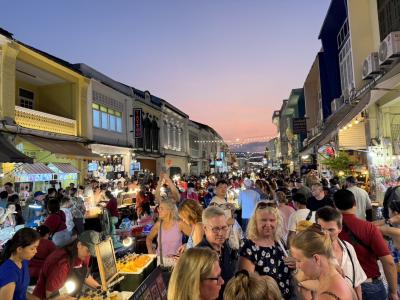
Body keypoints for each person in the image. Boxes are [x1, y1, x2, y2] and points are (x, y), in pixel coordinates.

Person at [333, 189, 398, 300]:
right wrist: (393, 292)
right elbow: (388, 262)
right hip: (369, 284)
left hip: (339, 286)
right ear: (355, 204)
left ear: (334, 205)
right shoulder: (368, 228)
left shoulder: (326, 230)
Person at [238, 201, 292, 298]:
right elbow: (246, 284)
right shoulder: (249, 246)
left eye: (272, 220)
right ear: (255, 222)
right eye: (263, 220)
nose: (268, 224)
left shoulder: (280, 242)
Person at [290, 223, 355, 300]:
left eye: (299, 261)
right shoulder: (332, 281)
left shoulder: (329, 294)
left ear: (316, 259)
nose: (297, 266)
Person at [316, 206, 366, 299]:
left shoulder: (348, 248)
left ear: (340, 228)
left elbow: (357, 283)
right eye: (321, 229)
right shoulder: (312, 253)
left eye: (330, 230)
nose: (325, 234)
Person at [33, 231, 102, 299]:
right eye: (88, 251)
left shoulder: (84, 255)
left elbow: (85, 275)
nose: (89, 254)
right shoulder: (62, 265)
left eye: (92, 252)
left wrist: (100, 288)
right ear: (79, 245)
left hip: (67, 294)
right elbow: (50, 296)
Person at [197, 206, 237, 299]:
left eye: (224, 227)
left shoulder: (225, 246)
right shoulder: (199, 256)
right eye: (215, 229)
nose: (221, 233)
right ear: (205, 228)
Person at [0, 227, 40, 300]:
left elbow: (21, 291)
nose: (36, 251)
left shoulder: (23, 261)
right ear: (19, 249)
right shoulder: (9, 274)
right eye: (32, 248)